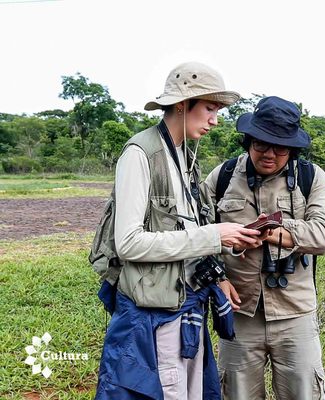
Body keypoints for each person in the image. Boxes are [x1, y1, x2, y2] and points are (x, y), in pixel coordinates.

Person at [95, 62, 264, 400]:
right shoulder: (140, 154)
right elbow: (128, 243)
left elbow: (185, 230)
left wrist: (218, 270)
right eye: (210, 108)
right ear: (184, 104)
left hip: (186, 304)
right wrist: (214, 235)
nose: (216, 119)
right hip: (155, 315)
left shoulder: (185, 156)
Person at [203, 96, 325, 399]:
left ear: (292, 149)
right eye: (261, 144)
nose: (269, 154)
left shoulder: (311, 178)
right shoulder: (222, 177)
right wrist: (218, 278)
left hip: (295, 313)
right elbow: (198, 235)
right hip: (239, 313)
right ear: (249, 140)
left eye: (280, 148)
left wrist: (272, 232)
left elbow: (324, 236)